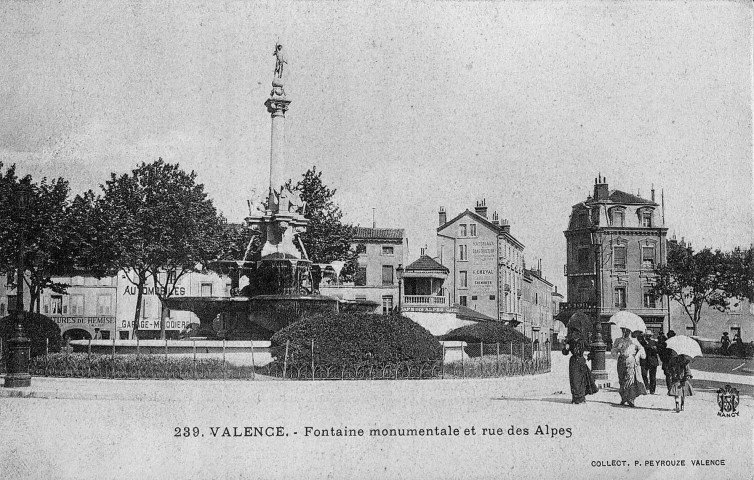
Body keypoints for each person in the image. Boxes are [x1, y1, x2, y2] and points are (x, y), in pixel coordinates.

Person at [611, 328, 647, 407]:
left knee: (630, 379)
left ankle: (631, 399)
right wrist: (617, 349)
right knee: (621, 379)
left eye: (627, 330)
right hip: (621, 360)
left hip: (630, 360)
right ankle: (623, 397)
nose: (625, 332)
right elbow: (613, 352)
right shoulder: (618, 340)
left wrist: (637, 356)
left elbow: (642, 350)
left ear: (630, 331)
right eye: (623, 330)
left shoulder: (634, 340)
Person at [562, 336, 598, 404]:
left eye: (576, 332)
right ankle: (575, 398)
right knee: (574, 380)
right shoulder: (570, 341)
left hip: (581, 361)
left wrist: (589, 357)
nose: (574, 334)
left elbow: (592, 349)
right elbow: (564, 353)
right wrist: (566, 348)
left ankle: (581, 398)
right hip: (573, 362)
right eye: (573, 332)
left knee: (581, 380)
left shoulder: (583, 341)